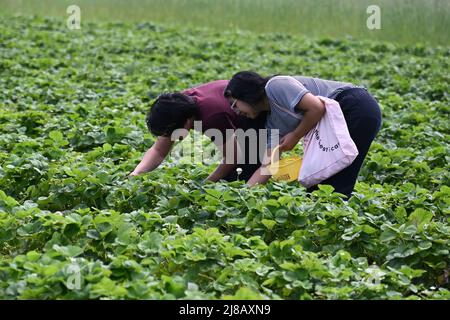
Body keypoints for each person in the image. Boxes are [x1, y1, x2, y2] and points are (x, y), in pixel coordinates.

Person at [224, 71, 382, 197]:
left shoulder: (275, 86)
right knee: (319, 187)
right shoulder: (272, 123)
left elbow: (317, 108)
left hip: (354, 106)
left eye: (234, 104)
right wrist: (244, 194)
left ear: (246, 94)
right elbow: (268, 166)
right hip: (341, 119)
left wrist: (295, 135)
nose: (237, 112)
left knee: (335, 186)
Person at [131, 80, 267, 182]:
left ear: (187, 121)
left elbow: (233, 156)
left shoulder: (211, 117)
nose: (172, 138)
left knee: (238, 180)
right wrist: (135, 174)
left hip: (258, 117)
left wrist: (207, 183)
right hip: (236, 110)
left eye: (173, 133)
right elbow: (158, 150)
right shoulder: (175, 106)